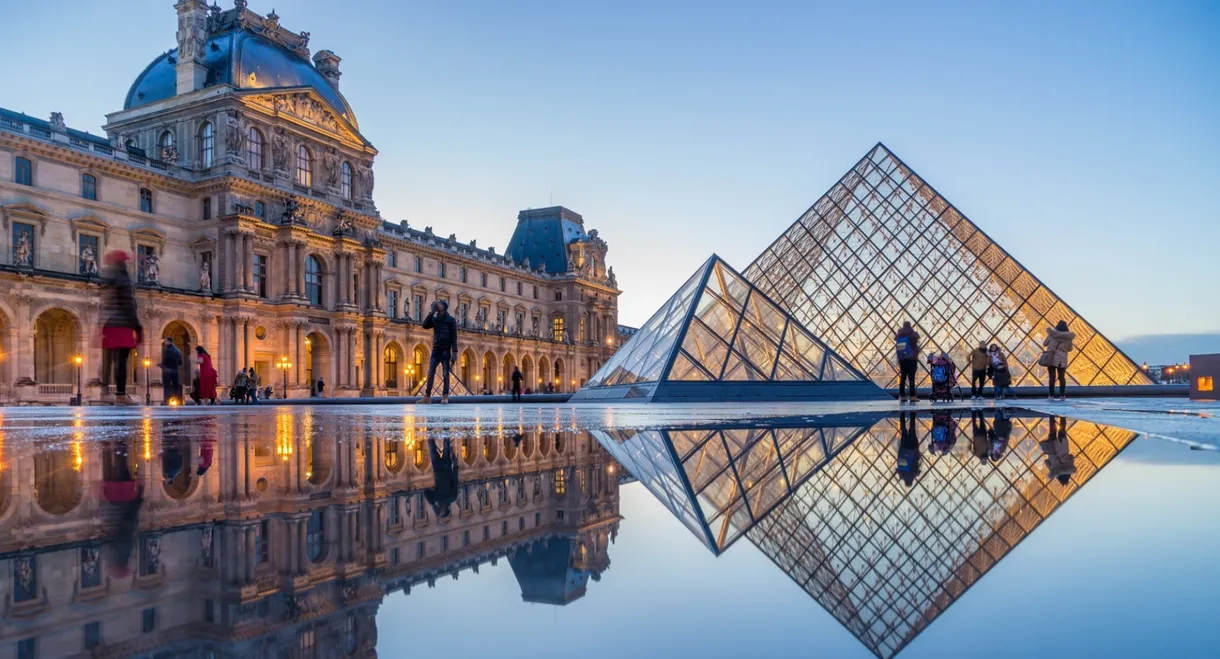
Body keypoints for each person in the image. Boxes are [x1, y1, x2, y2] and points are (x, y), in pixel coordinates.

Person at [100, 251, 142, 405]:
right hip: (123, 324)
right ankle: (120, 394)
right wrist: (137, 327)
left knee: (108, 360)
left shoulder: (108, 279)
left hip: (109, 324)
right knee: (122, 362)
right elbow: (129, 304)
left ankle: (104, 392)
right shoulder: (124, 280)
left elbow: (104, 304)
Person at [100, 437, 143, 577]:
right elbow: (123, 526)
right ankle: (116, 445)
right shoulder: (119, 550)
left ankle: (119, 445)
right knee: (119, 469)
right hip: (117, 500)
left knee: (122, 468)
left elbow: (129, 523)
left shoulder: (125, 550)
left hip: (123, 499)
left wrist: (136, 501)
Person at [421, 300, 458, 404]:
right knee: (430, 373)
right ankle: (427, 396)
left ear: (445, 307)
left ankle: (445, 396)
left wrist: (455, 352)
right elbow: (425, 325)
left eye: (440, 304)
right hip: (436, 349)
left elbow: (454, 337)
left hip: (446, 349)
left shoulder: (451, 320)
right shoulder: (435, 319)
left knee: (446, 374)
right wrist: (431, 313)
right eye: (438, 305)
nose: (439, 306)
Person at [423, 439, 459, 518]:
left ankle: (431, 428)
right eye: (439, 511)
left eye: (437, 511)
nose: (438, 509)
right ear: (445, 509)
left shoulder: (439, 499)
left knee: (434, 446)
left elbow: (425, 492)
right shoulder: (450, 497)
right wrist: (455, 465)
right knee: (441, 445)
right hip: (443, 469)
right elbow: (455, 481)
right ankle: (442, 428)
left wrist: (433, 504)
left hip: (440, 469)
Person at [1041, 320, 1076, 402]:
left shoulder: (1051, 335)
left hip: (1051, 358)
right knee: (1062, 378)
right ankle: (1062, 396)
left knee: (1052, 378)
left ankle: (1051, 396)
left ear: (1057, 326)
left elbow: (1045, 343)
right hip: (1062, 359)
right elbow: (1070, 349)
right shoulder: (1068, 338)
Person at [1040, 416, 1077, 485]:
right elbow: (1046, 461)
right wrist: (1052, 466)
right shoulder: (1053, 470)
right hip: (1052, 448)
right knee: (1052, 431)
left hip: (1063, 446)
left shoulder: (1070, 467)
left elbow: (1071, 456)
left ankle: (1062, 416)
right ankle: (1051, 416)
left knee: (1062, 430)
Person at [895, 321, 921, 404]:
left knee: (903, 378)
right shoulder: (912, 334)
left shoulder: (899, 335)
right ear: (909, 326)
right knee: (911, 378)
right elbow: (917, 336)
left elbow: (895, 338)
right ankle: (912, 396)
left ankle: (902, 396)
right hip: (911, 359)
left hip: (902, 359)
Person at [896, 411, 921, 486]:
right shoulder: (901, 475)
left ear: (911, 481)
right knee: (903, 431)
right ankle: (902, 414)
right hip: (903, 449)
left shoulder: (913, 474)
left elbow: (918, 470)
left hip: (913, 449)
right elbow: (896, 469)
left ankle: (912, 414)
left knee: (912, 429)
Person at [159, 337, 182, 405]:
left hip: (167, 370)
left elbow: (165, 360)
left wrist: (162, 365)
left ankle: (167, 401)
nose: (164, 343)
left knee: (167, 386)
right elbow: (180, 362)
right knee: (176, 386)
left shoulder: (166, 350)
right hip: (175, 370)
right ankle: (178, 400)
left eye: (165, 341)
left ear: (169, 341)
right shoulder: (178, 350)